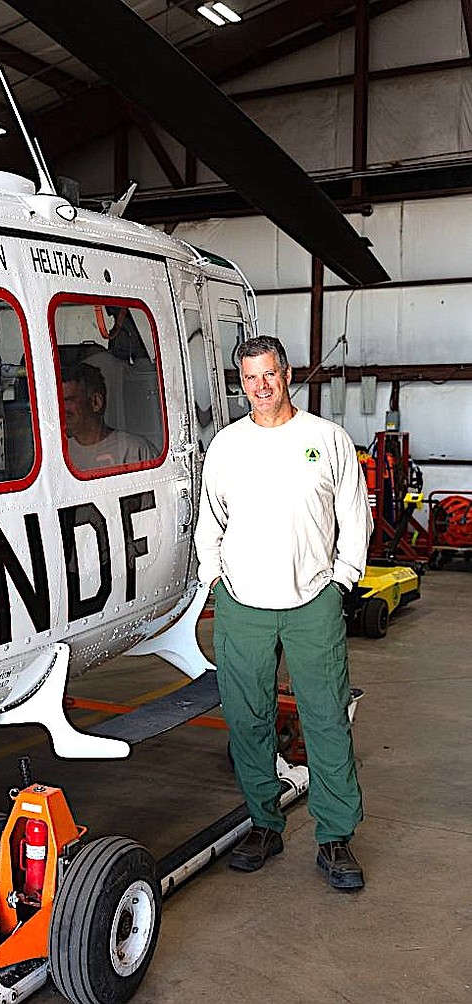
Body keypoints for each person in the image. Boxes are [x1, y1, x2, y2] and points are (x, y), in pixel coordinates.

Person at [194, 335, 372, 891]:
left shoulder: (326, 439)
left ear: (287, 373)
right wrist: (213, 576)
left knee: (325, 717)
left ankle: (335, 836)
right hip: (243, 602)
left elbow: (353, 510)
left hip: (311, 599)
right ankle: (264, 823)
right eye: (250, 378)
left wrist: (342, 579)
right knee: (248, 720)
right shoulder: (227, 445)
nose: (261, 387)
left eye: (270, 374)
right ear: (240, 382)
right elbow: (211, 515)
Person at [61, 362, 155, 470]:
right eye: (58, 402)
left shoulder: (136, 451)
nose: (61, 409)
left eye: (68, 401)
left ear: (96, 402)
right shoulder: (58, 454)